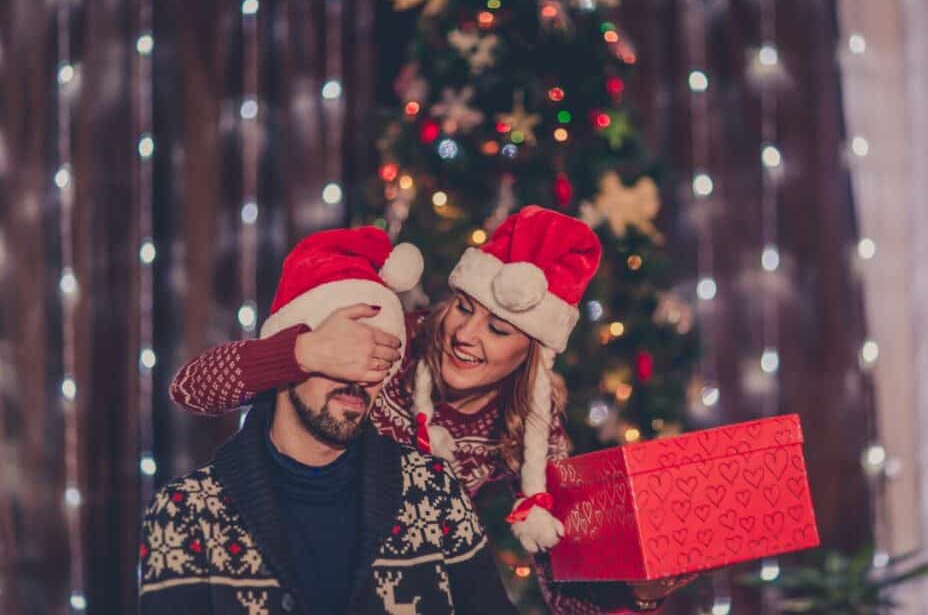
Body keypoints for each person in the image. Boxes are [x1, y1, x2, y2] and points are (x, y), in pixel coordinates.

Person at [169, 206, 693, 612]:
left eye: (498, 329)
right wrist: (302, 351)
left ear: (531, 350)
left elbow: (563, 584)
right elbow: (194, 389)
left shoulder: (529, 427)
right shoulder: (387, 340)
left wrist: (638, 594)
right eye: (464, 308)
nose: (465, 335)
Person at [139, 228, 517, 615]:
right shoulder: (187, 513)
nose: (355, 376)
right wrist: (302, 351)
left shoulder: (434, 493)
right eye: (339, 355)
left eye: (373, 358)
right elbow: (189, 387)